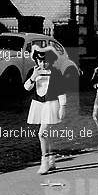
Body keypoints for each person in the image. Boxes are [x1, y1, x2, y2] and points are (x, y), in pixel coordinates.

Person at [25, 45, 66, 175]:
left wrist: (63, 107)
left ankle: (44, 163)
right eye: (40, 61)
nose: (43, 63)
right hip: (39, 105)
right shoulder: (34, 71)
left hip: (51, 104)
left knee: (42, 134)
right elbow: (27, 87)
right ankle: (52, 160)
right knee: (48, 135)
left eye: (45, 60)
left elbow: (61, 91)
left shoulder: (56, 72)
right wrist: (33, 76)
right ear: (36, 60)